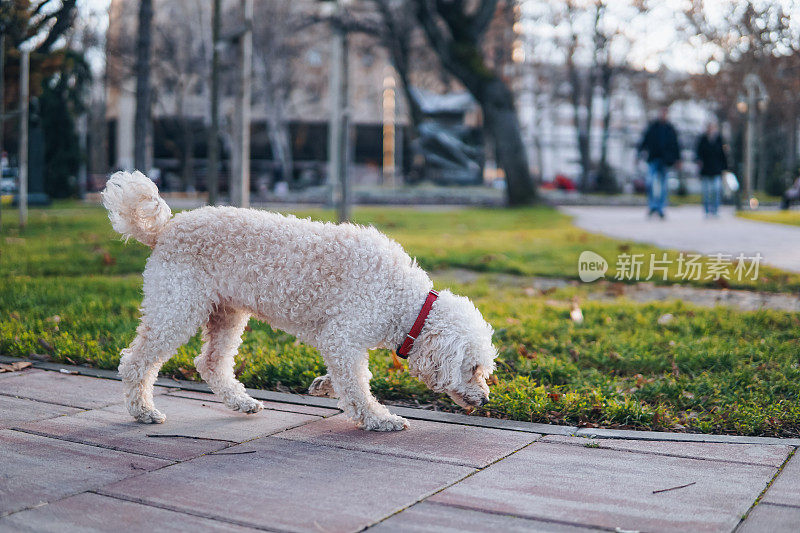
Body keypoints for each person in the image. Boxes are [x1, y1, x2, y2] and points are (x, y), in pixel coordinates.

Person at [638, 107, 681, 218]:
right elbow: (645, 140)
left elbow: (675, 145)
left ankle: (661, 208)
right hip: (653, 158)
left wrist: (677, 159)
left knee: (663, 185)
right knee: (650, 182)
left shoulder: (670, 129)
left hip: (665, 160)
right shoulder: (653, 127)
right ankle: (652, 206)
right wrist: (639, 153)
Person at [695, 123, 728, 217]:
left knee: (716, 190)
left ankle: (715, 209)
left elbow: (723, 155)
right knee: (706, 192)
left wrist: (725, 168)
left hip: (717, 169)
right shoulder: (703, 139)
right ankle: (706, 210)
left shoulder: (719, 140)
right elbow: (698, 153)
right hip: (706, 170)